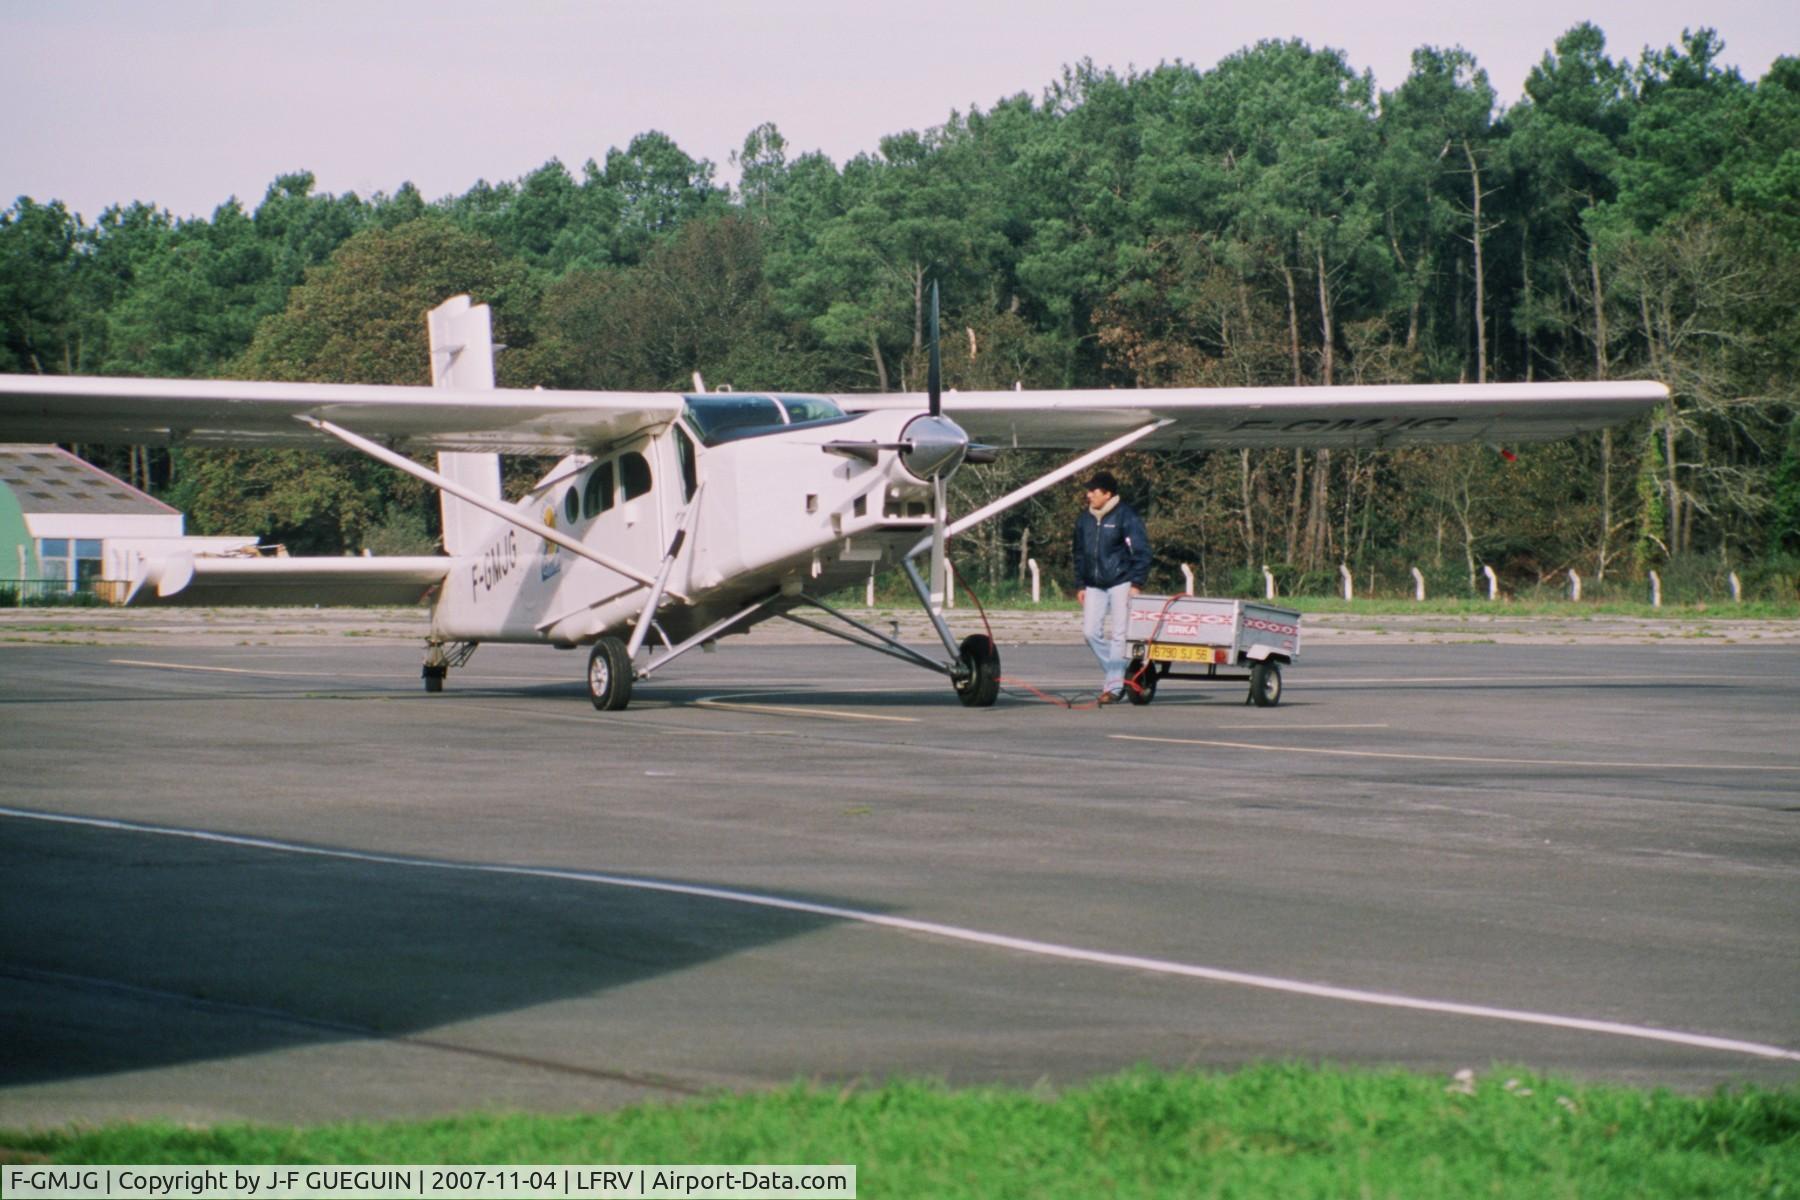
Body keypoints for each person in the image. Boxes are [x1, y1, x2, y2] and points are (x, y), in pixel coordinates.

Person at [1073, 471, 1150, 705]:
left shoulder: (1126, 516)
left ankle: (1114, 688)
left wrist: (1136, 582)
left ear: (1107, 494)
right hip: (1094, 584)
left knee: (1119, 635)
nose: (1088, 495)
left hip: (1121, 581)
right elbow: (1078, 553)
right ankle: (1118, 673)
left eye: (1093, 491)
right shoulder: (1084, 519)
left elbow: (1141, 550)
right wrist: (1080, 584)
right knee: (1089, 633)